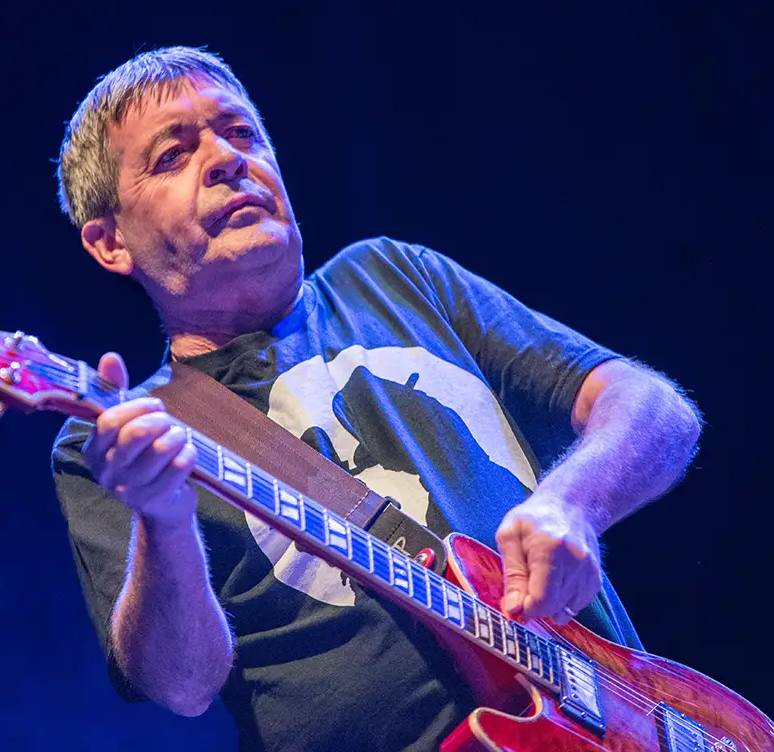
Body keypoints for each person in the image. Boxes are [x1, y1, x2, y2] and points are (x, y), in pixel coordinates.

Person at [50, 46, 702, 751]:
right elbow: (181, 685)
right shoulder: (110, 438)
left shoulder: (391, 277)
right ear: (109, 242)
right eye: (173, 155)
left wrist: (573, 502)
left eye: (241, 133)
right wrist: (163, 517)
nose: (226, 159)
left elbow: (655, 409)